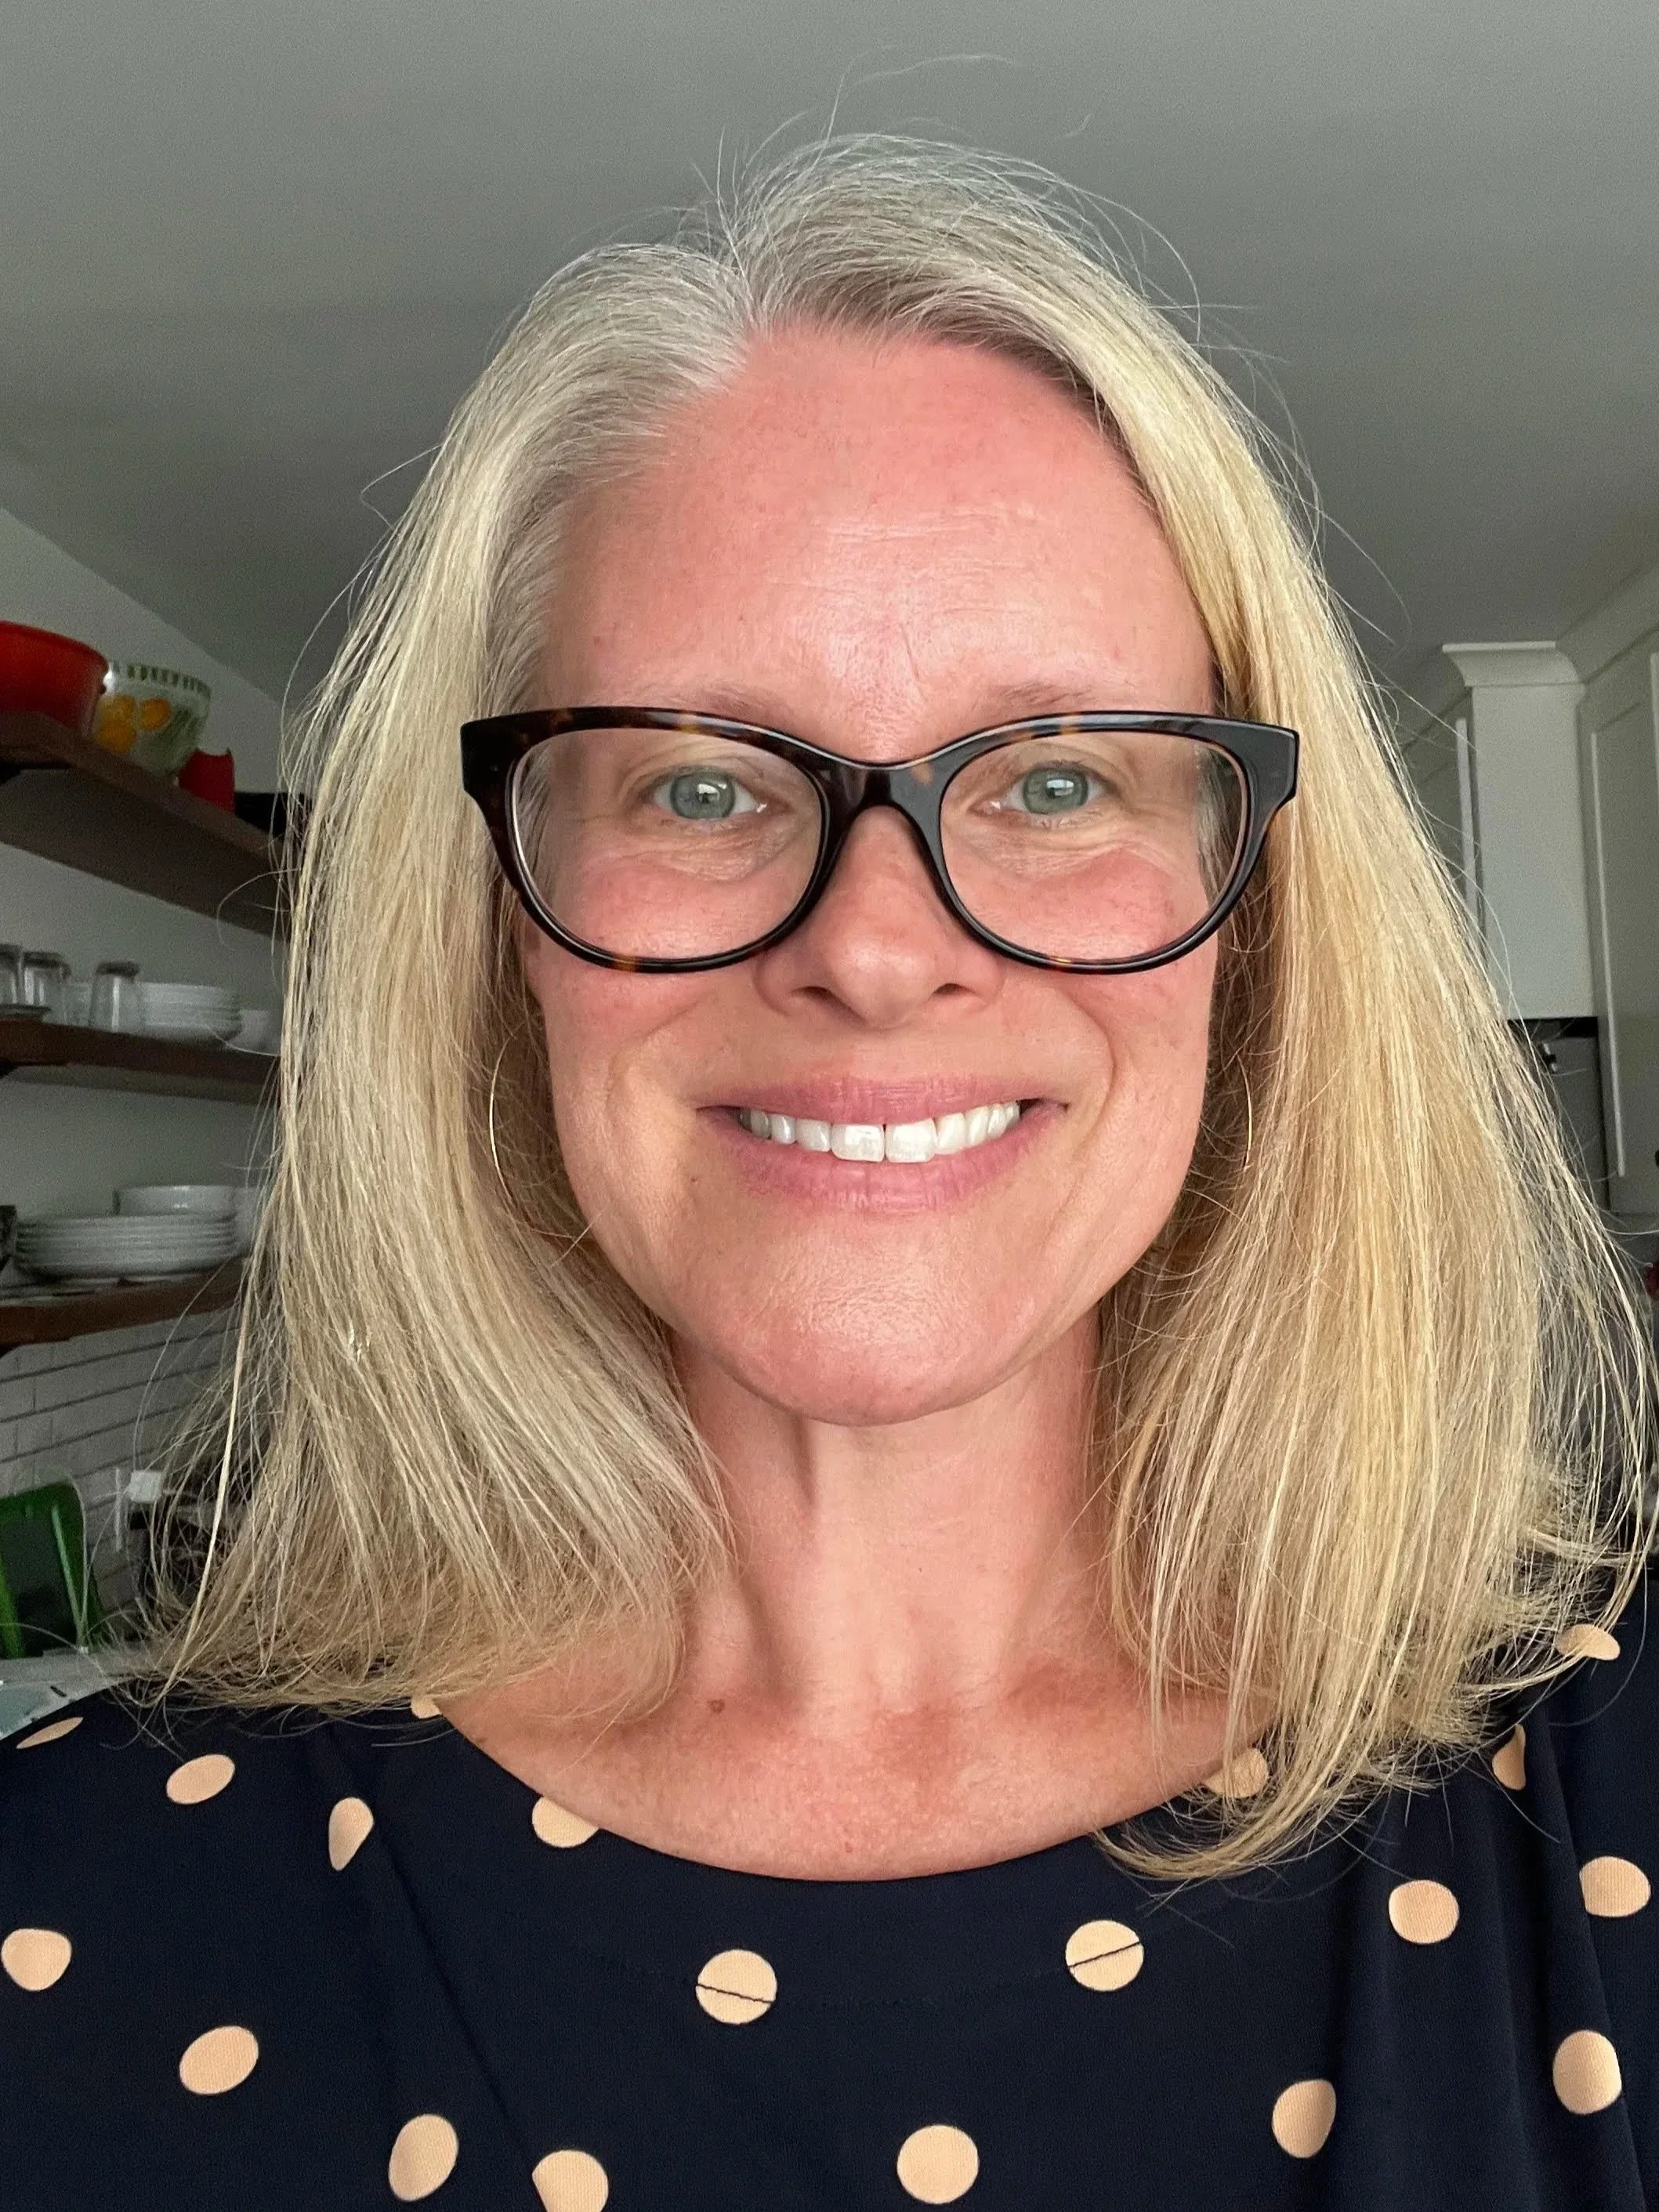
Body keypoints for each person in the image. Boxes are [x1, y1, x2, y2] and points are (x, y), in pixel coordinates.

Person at [2, 139, 1654, 2212]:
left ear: (1254, 914)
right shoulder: (62, 1916)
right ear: (506, 919)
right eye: (700, 781)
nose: (872, 947)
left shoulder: (1599, 1822)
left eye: (1055, 776)